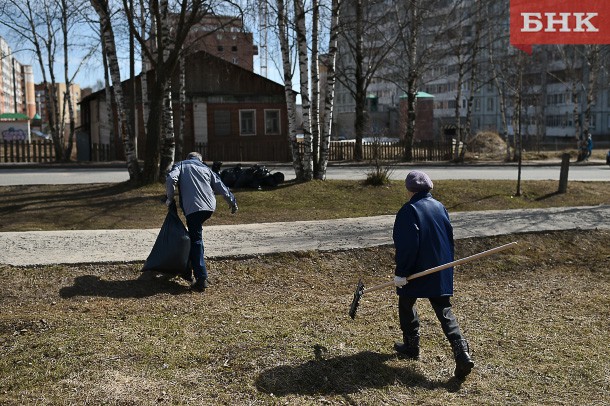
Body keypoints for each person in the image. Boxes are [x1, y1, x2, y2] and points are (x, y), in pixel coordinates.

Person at [392, 170, 474, 379]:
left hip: (417, 270)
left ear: (409, 190)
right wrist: (446, 269)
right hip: (440, 269)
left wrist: (402, 273)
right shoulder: (440, 207)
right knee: (444, 311)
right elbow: (448, 239)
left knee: (406, 302)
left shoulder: (409, 210)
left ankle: (412, 346)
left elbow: (408, 246)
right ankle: (462, 353)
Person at [166, 152, 238, 292]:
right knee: (195, 237)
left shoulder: (181, 165)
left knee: (195, 240)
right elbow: (221, 186)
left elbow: (170, 179)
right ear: (200, 159)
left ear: (188, 158)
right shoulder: (206, 168)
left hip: (193, 208)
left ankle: (201, 277)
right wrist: (232, 202)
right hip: (209, 207)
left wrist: (169, 198)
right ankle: (190, 268)